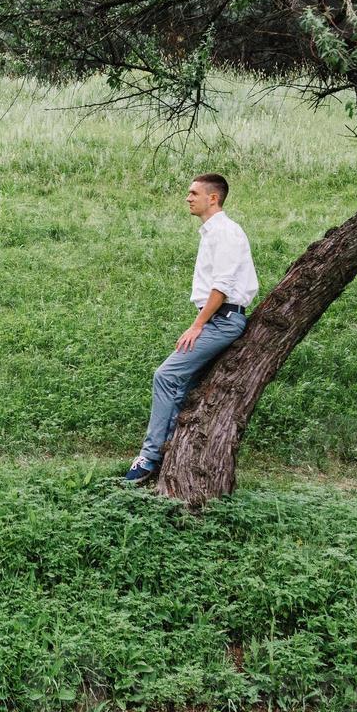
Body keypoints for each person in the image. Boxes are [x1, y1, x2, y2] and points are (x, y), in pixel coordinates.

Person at [125, 174, 258, 485]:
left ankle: (149, 457)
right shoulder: (213, 232)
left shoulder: (225, 232)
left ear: (213, 198)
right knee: (180, 384)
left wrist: (198, 325)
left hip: (223, 319)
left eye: (194, 193)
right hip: (217, 317)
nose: (188, 198)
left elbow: (222, 286)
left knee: (167, 375)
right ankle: (168, 452)